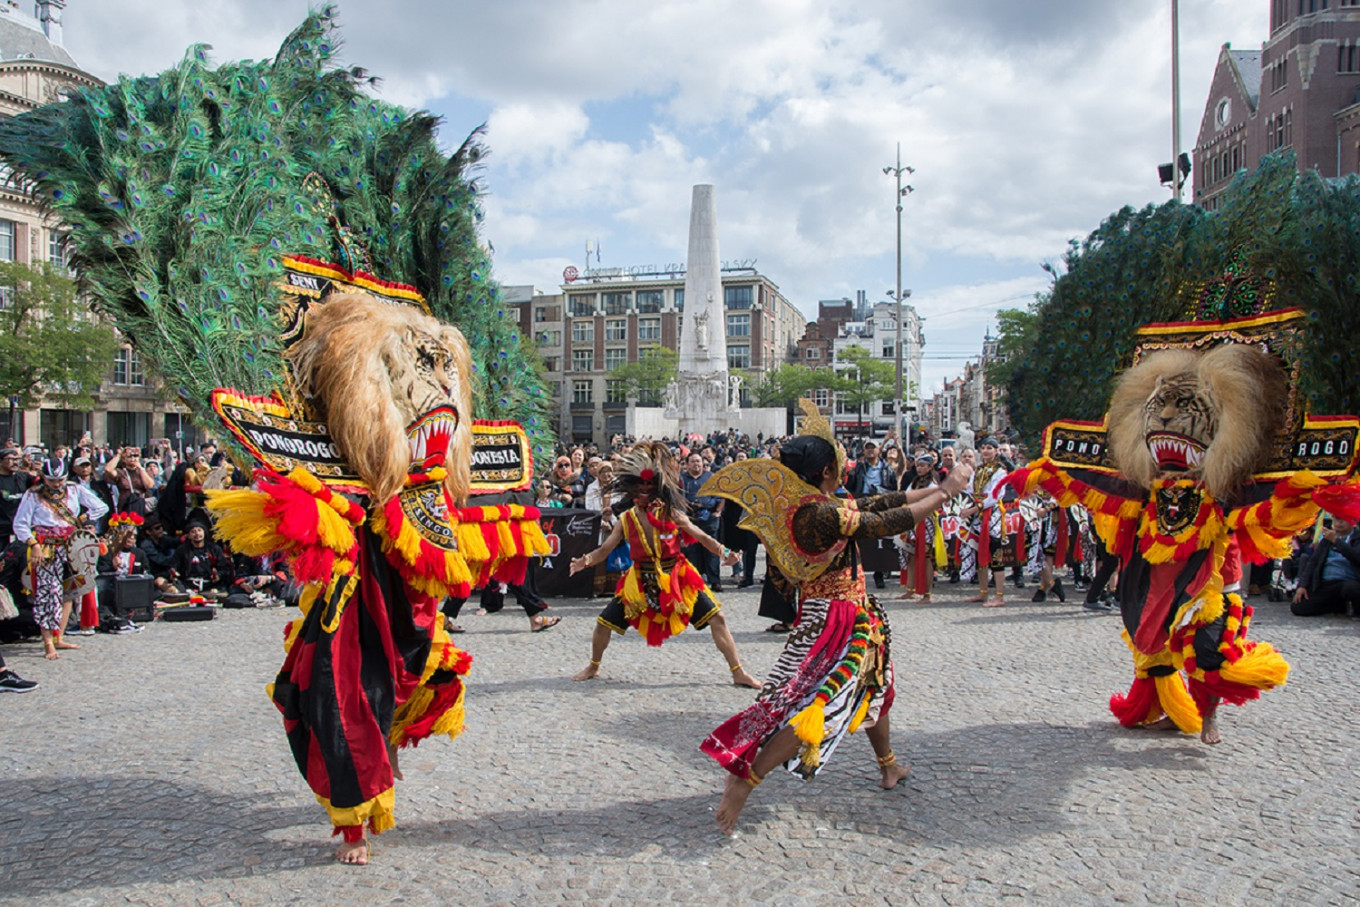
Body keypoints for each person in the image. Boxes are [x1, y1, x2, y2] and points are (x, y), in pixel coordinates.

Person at [699, 419, 972, 834]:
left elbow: (879, 504)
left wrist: (935, 490)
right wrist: (947, 492)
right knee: (817, 708)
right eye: (836, 462)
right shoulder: (816, 513)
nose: (843, 467)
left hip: (851, 612)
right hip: (835, 621)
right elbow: (886, 523)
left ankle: (889, 765)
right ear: (825, 471)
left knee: (879, 685)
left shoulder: (819, 502)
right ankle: (744, 781)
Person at [568, 442, 757, 688]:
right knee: (604, 623)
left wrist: (724, 552)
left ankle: (738, 672)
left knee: (717, 617)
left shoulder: (672, 514)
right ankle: (593, 665)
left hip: (678, 578)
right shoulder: (626, 519)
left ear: (658, 487)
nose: (645, 489)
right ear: (634, 488)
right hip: (640, 581)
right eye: (641, 485)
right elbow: (605, 550)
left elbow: (701, 536)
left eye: (650, 485)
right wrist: (586, 561)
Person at [12, 457, 109, 659]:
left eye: (60, 480)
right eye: (51, 480)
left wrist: (81, 518)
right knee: (48, 593)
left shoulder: (74, 490)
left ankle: (59, 636)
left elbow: (100, 507)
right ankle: (48, 641)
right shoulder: (33, 495)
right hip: (46, 547)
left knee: (70, 590)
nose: (56, 484)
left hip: (70, 544)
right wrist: (34, 544)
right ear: (44, 478)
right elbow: (20, 523)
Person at [959, 437, 1012, 607]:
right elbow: (974, 491)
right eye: (984, 447)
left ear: (996, 451)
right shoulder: (979, 471)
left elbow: (993, 496)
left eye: (990, 447)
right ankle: (983, 592)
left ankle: (999, 595)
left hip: (993, 516)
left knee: (996, 554)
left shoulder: (1000, 472)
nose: (986, 450)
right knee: (978, 552)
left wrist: (972, 509)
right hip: (979, 517)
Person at [896, 451, 942, 601]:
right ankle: (911, 588)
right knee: (910, 554)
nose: (919, 468)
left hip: (926, 521)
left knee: (926, 556)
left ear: (930, 467)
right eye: (918, 465)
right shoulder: (914, 482)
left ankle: (927, 593)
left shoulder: (932, 484)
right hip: (913, 519)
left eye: (923, 465)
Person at [1292, 515, 1360, 617]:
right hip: (1327, 583)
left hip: (1348, 581)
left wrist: (1337, 542)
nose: (1339, 523)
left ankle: (1356, 610)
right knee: (1298, 607)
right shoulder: (1327, 539)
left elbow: (1356, 557)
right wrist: (1302, 585)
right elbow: (1313, 562)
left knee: (1352, 589)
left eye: (1343, 519)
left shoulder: (1356, 537)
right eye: (1336, 519)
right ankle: (1337, 605)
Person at [680, 451, 724, 591]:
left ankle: (715, 580)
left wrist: (718, 511)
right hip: (690, 519)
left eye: (698, 461)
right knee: (692, 552)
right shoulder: (681, 479)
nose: (696, 464)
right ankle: (695, 581)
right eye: (692, 461)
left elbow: (722, 496)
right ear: (687, 464)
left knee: (712, 550)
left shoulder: (710, 477)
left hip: (709, 518)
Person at [171, 517, 233, 596]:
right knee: (174, 591)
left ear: (204, 532)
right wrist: (174, 573)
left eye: (199, 530)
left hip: (210, 584)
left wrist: (217, 576)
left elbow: (224, 568)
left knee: (221, 593)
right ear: (188, 536)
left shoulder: (214, 549)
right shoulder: (182, 550)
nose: (197, 534)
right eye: (193, 532)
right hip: (188, 584)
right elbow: (174, 566)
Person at [0, 447, 30, 543]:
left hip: (20, 528)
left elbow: (43, 484)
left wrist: (38, 470)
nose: (15, 462)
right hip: (2, 529)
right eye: (11, 460)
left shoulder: (23, 477)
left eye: (17, 459)